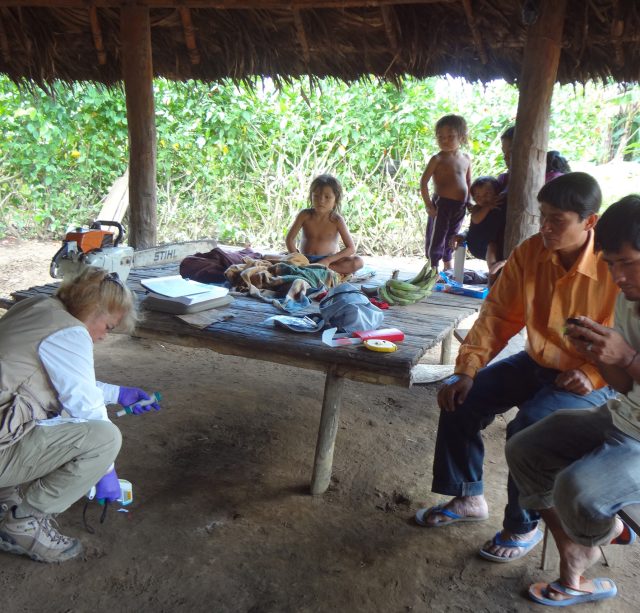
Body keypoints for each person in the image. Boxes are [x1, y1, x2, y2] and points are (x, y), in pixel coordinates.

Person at [414, 172, 620, 564]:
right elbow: (496, 316)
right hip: (538, 361)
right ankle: (468, 495)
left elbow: (629, 343)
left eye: (557, 220)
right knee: (462, 397)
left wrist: (593, 374)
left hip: (591, 379)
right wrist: (467, 369)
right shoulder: (530, 254)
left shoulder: (613, 267)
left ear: (589, 221)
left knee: (529, 428)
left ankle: (522, 525)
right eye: (543, 216)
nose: (545, 227)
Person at [507, 195, 640, 607]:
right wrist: (600, 355)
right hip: (623, 418)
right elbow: (622, 385)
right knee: (524, 447)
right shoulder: (626, 298)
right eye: (610, 264)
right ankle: (586, 542)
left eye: (627, 263)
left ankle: (597, 535)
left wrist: (629, 358)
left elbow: (629, 366)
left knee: (577, 490)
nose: (616, 277)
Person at [0, 267, 161, 563]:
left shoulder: (38, 308)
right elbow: (85, 408)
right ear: (93, 310)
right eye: (109, 327)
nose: (103, 337)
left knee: (33, 417)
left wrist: (117, 393)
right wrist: (106, 472)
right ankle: (21, 523)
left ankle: (3, 501)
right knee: (104, 438)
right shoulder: (71, 333)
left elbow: (63, 382)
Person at [420, 114, 472, 271]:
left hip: (460, 205)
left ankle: (447, 262)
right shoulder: (437, 159)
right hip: (442, 204)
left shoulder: (466, 158)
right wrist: (429, 204)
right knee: (437, 236)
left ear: (462, 137)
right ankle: (433, 266)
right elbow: (423, 182)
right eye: (440, 137)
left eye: (450, 136)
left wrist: (469, 201)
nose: (445, 140)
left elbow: (468, 181)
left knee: (452, 235)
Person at [285, 174, 363, 275]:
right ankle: (310, 268)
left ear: (335, 200)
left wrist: (328, 261)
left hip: (327, 261)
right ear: (311, 197)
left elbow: (351, 248)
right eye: (316, 196)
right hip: (303, 259)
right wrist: (296, 256)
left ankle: (319, 268)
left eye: (327, 197)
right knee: (273, 259)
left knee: (358, 262)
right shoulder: (304, 215)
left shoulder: (337, 220)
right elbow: (290, 239)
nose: (321, 200)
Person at [451, 176, 505, 285]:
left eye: (487, 194)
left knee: (492, 246)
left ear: (497, 193)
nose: (482, 198)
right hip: (477, 244)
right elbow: (476, 220)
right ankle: (492, 275)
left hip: (495, 245)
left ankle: (493, 276)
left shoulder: (501, 207)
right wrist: (488, 207)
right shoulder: (477, 209)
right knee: (491, 246)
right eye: (478, 196)